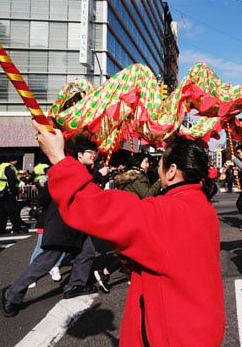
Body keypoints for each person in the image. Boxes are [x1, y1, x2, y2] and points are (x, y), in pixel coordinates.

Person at [20, 122, 225, 346]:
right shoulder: (203, 208)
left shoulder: (167, 212)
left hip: (170, 333)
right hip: (201, 324)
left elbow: (96, 208)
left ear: (173, 170)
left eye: (161, 163)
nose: (157, 169)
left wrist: (59, 158)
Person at [0, 138, 103, 317]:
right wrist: (99, 176)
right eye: (90, 153)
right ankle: (12, 294)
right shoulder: (71, 167)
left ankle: (76, 285)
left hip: (77, 222)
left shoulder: (84, 169)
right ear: (79, 155)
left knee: (86, 252)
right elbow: (78, 187)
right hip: (63, 222)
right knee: (46, 261)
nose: (94, 155)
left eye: (95, 153)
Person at [94, 152, 161, 293]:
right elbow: (147, 195)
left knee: (132, 250)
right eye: (146, 162)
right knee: (136, 250)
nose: (148, 165)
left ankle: (125, 275)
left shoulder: (127, 176)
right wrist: (160, 181)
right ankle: (107, 272)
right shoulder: (137, 177)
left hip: (126, 216)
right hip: (136, 218)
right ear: (139, 163)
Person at [0, 155, 26, 234]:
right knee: (13, 210)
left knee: (2, 212)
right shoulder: (10, 167)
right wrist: (11, 188)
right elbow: (12, 179)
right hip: (8, 192)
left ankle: (0, 229)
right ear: (13, 160)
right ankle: (16, 228)